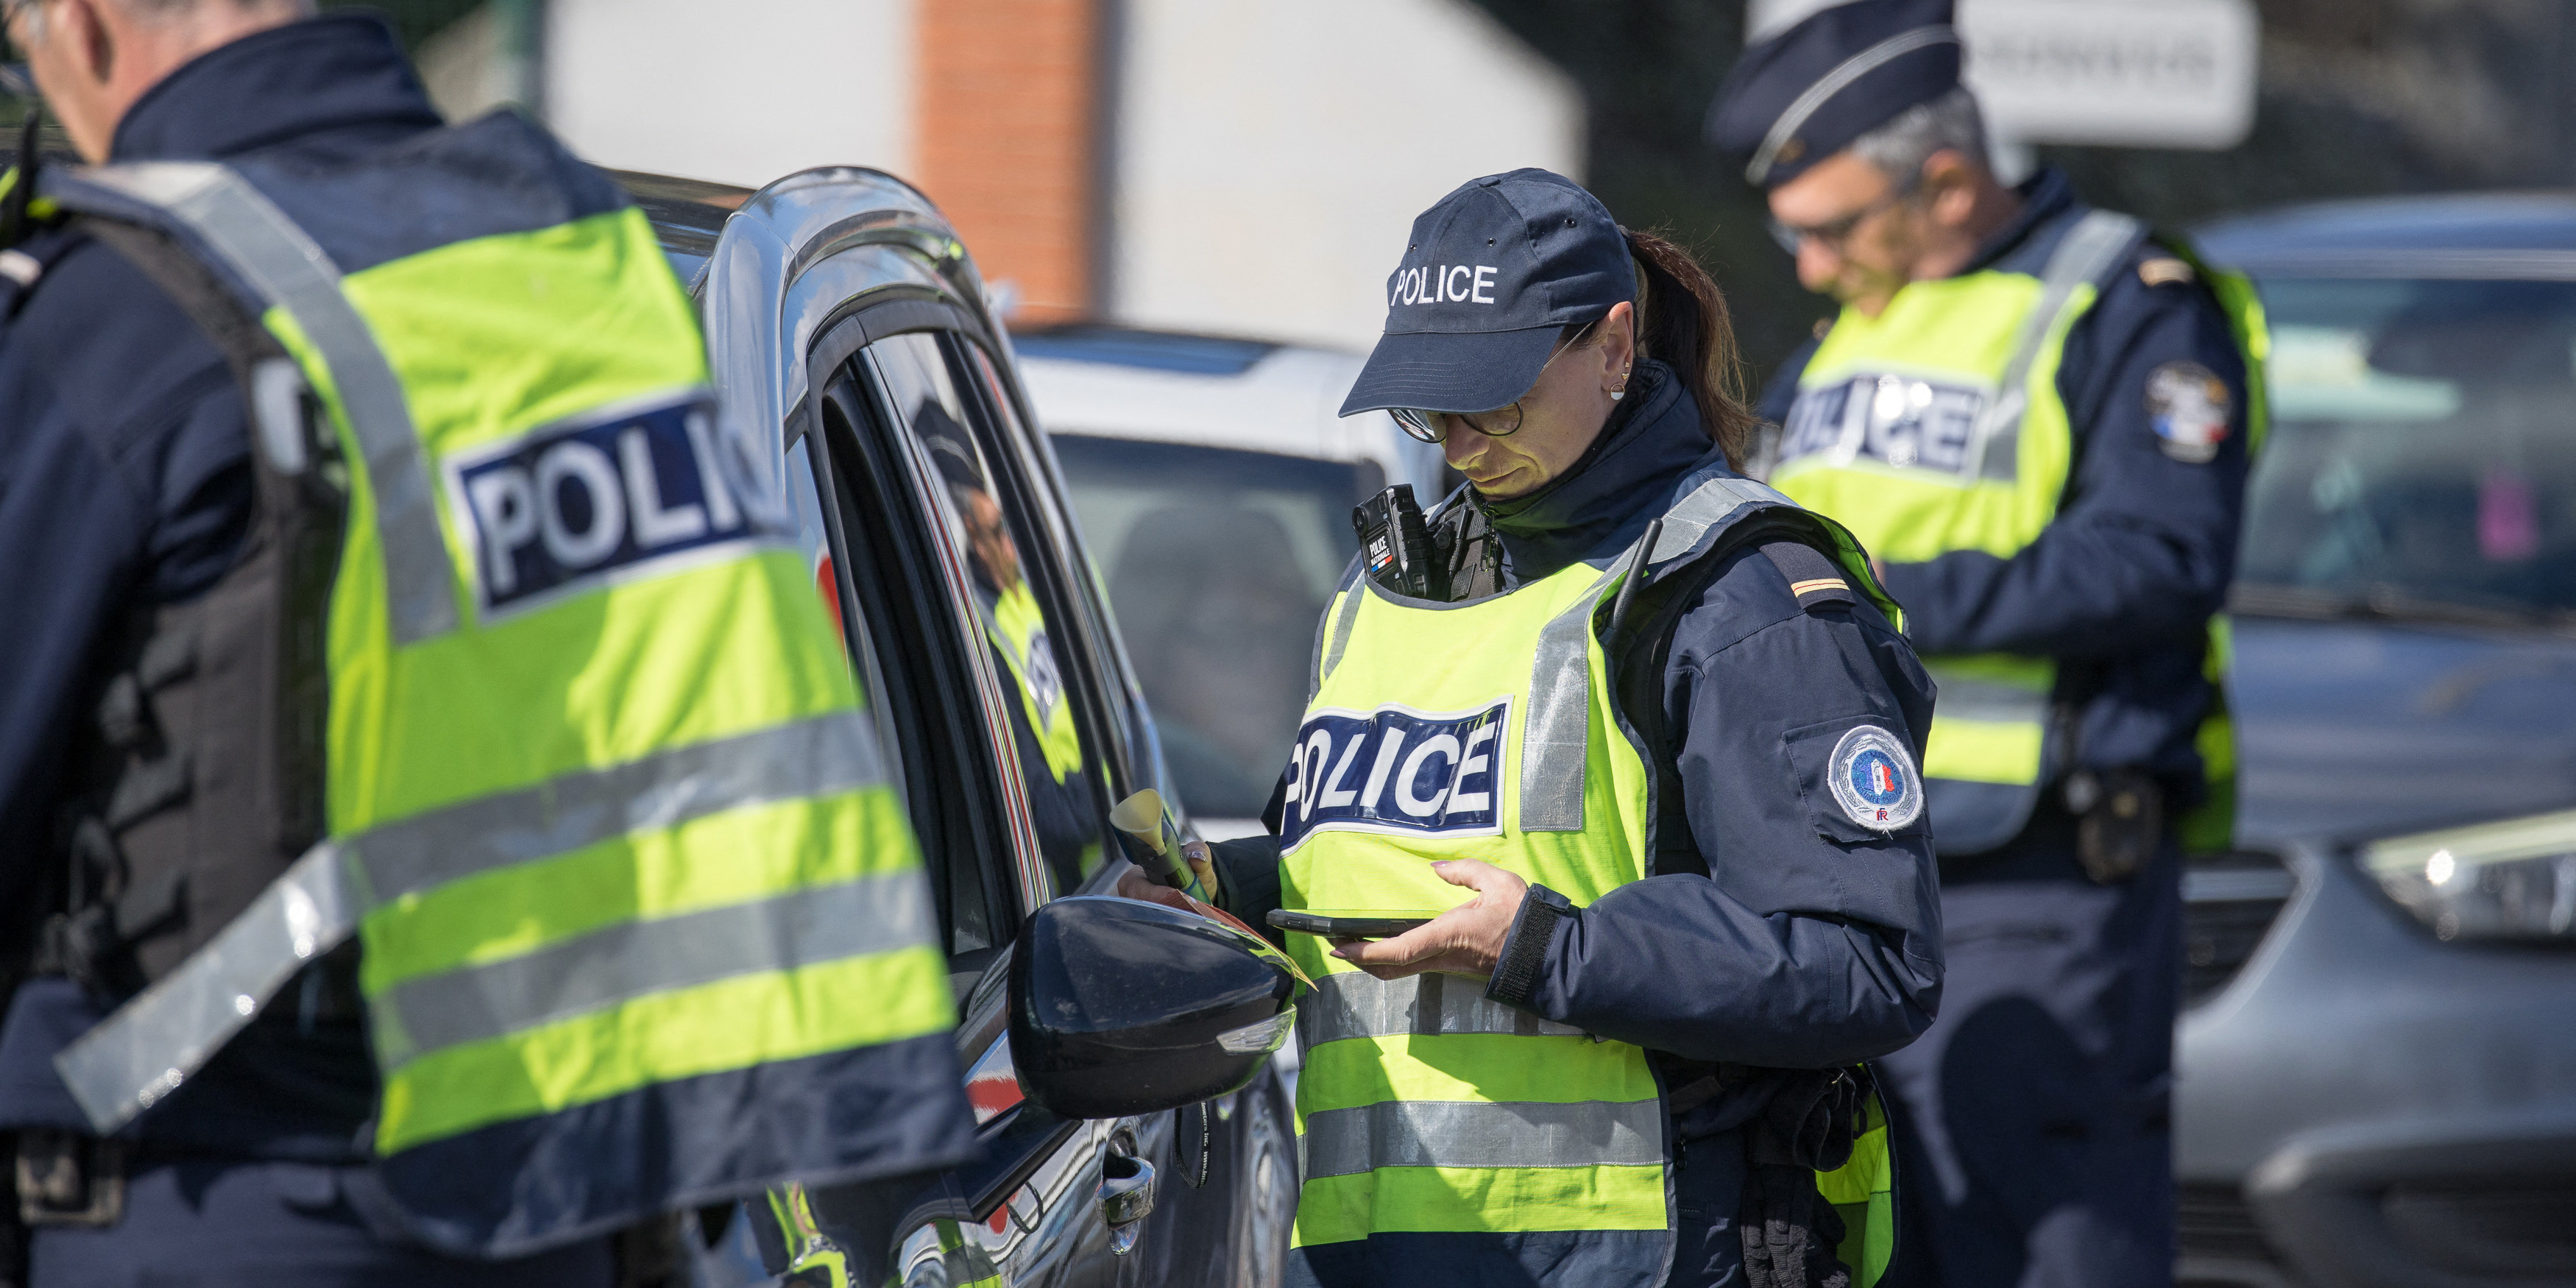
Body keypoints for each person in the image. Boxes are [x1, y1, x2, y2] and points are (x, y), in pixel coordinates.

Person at [0, 4, 968, 1284]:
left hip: (232, 1201)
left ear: (86, 23)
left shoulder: (124, 317)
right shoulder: (579, 264)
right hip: (592, 1206)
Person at [1126, 168, 1942, 1288]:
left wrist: (1549, 949)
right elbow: (1380, 856)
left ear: (1615, 348)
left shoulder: (1736, 597)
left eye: (1494, 402)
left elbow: (1869, 962)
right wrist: (1228, 887)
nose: (1458, 443)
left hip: (1646, 1254)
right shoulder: (1394, 587)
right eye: (1428, 407)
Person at [1708, 3, 2262, 1285]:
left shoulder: (2127, 304)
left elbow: (2161, 560)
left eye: (1828, 228)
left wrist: (1883, 593)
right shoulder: (1853, 324)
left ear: (1946, 182)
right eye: (1791, 231)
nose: (1802, 262)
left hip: (2037, 878)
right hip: (1844, 868)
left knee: (2044, 1235)